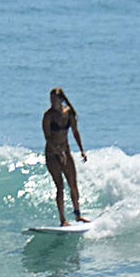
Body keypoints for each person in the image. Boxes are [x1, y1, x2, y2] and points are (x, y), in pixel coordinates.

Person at [42, 87, 88, 225]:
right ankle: (63, 220)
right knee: (60, 186)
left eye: (55, 100)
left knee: (73, 184)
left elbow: (75, 132)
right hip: (52, 154)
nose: (52, 102)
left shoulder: (69, 114)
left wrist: (82, 150)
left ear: (61, 100)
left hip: (66, 152)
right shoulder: (48, 116)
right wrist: (57, 151)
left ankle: (78, 215)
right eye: (51, 100)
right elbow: (48, 137)